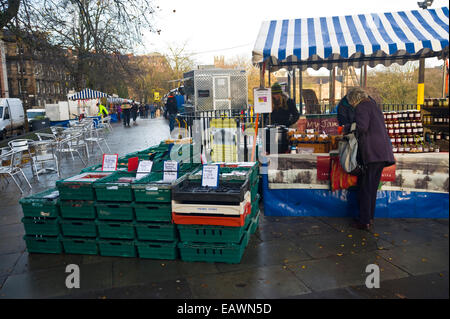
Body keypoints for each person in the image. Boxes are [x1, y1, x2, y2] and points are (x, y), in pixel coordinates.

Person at [347, 87, 395, 231]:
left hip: (373, 153)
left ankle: (364, 221)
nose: (351, 105)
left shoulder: (362, 107)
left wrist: (347, 128)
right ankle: (368, 218)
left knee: (366, 188)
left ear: (354, 99)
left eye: (350, 102)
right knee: (371, 188)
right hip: (380, 153)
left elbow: (362, 127)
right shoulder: (373, 105)